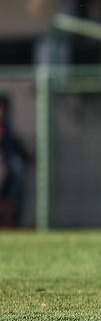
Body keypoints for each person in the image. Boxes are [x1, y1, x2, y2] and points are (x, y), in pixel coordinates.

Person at [0, 95, 29, 227]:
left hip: (4, 166)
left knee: (7, 198)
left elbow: (15, 143)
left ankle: (9, 226)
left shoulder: (5, 125)